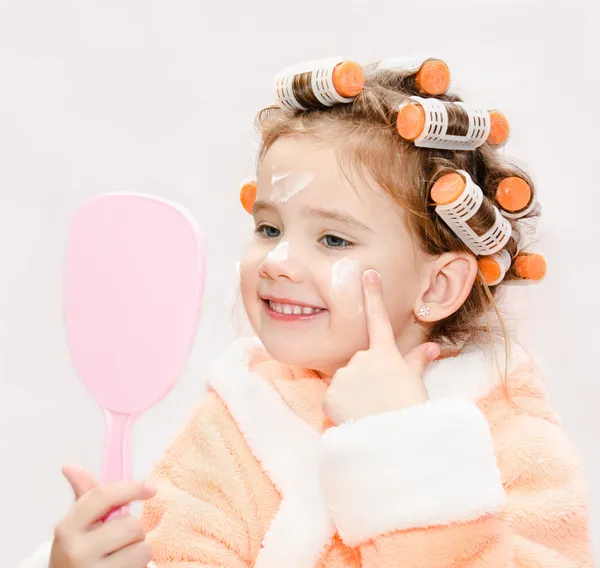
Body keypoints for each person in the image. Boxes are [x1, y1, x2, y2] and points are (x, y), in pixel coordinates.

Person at [20, 57, 594, 567]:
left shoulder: (509, 433)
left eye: (334, 240)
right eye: (268, 228)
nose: (279, 262)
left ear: (440, 284)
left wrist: (403, 447)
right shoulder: (236, 420)